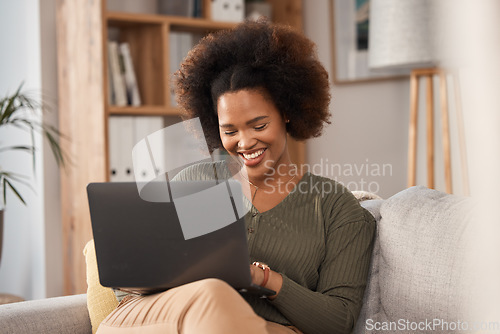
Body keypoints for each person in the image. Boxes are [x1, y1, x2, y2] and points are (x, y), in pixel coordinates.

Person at [97, 20, 375, 334]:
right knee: (210, 295)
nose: (244, 143)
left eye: (258, 126)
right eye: (229, 131)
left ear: (287, 111)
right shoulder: (189, 183)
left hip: (259, 328)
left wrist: (263, 279)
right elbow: (126, 284)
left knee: (219, 302)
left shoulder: (336, 209)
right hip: (162, 319)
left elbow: (337, 322)